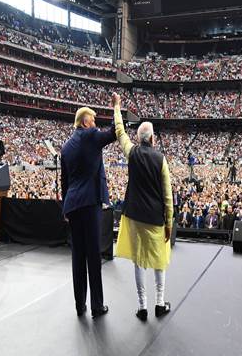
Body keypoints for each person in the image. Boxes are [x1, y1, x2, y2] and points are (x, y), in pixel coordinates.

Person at [111, 93, 173, 321]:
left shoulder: (132, 152)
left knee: (139, 261)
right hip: (155, 217)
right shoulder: (161, 159)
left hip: (135, 215)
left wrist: (117, 108)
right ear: (153, 139)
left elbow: (119, 132)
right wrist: (169, 223)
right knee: (159, 260)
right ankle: (159, 303)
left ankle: (142, 306)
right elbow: (168, 196)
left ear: (138, 138)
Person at [60, 105, 116, 318]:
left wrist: (65, 207)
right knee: (93, 255)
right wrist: (117, 108)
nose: (95, 125)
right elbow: (113, 133)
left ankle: (79, 304)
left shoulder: (66, 147)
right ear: (85, 122)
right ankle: (97, 306)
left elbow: (64, 181)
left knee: (78, 256)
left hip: (73, 205)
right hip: (90, 202)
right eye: (93, 121)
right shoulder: (90, 135)